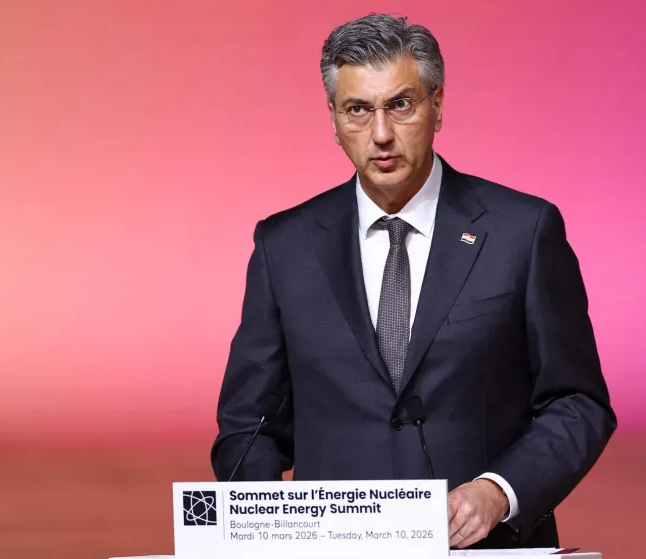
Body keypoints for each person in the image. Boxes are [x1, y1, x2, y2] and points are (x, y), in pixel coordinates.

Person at [211, 13, 616, 550]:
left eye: (400, 105)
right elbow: (249, 424)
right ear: (333, 119)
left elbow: (578, 402)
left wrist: (500, 492)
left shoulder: (524, 231)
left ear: (437, 106)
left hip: (481, 547)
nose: (381, 134)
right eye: (358, 110)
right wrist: (270, 534)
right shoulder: (283, 247)